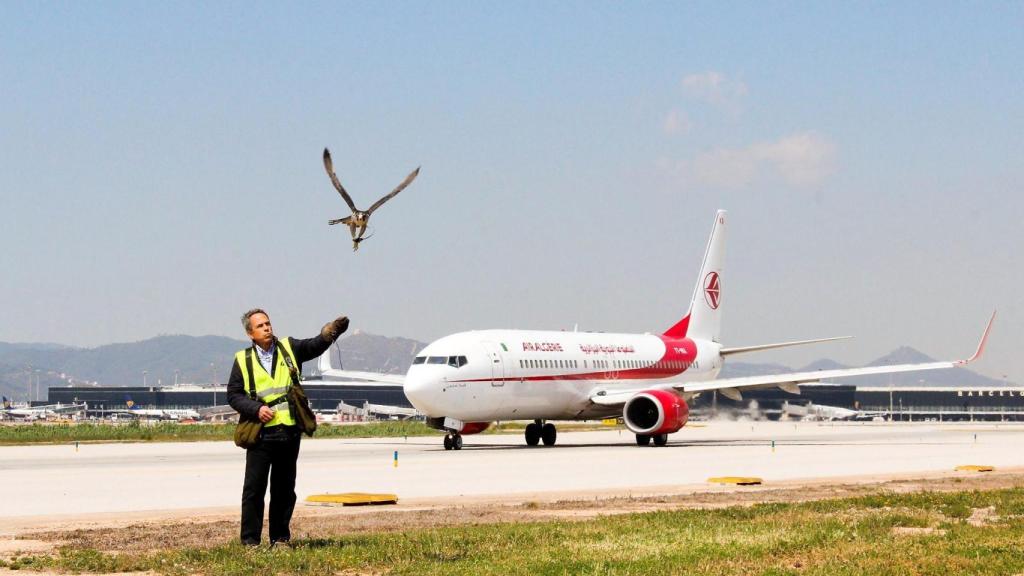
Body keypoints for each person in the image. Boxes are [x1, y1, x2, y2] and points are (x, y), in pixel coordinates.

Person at [227, 308, 349, 547]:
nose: (267, 328)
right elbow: (233, 395)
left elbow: (313, 346)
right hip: (261, 434)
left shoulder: (289, 348)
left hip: (289, 431)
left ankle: (280, 539)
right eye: (260, 325)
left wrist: (329, 334)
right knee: (254, 490)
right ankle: (250, 542)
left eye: (268, 323)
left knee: (284, 490)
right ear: (250, 333)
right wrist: (255, 409)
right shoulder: (243, 360)